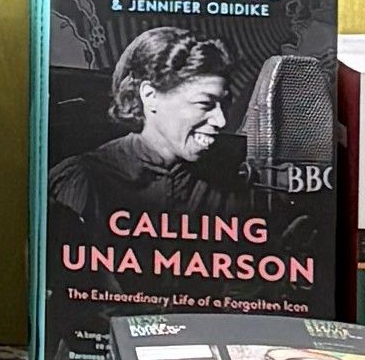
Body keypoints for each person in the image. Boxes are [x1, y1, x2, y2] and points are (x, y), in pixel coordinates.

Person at [54, 23, 234, 231]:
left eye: (225, 104)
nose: (221, 121)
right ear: (150, 96)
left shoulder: (230, 185)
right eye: (205, 104)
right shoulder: (84, 180)